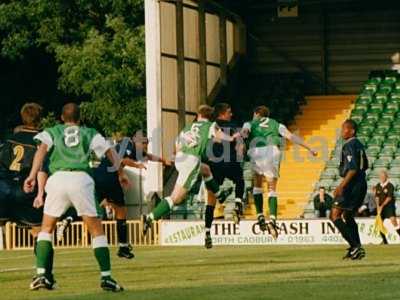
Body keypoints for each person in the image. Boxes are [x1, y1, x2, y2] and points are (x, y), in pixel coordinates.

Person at [24, 103, 125, 292]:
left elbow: (41, 150)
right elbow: (109, 151)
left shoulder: (53, 131)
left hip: (57, 179)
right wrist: (120, 173)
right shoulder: (89, 132)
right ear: (80, 119)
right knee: (96, 231)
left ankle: (41, 275)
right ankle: (106, 278)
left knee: (46, 229)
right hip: (80, 178)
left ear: (62, 118)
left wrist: (31, 175)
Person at [141, 105, 237, 238]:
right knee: (176, 197)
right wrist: (232, 138)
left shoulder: (186, 128)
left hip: (180, 158)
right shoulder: (210, 125)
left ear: (198, 116)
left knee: (206, 169)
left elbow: (176, 148)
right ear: (209, 117)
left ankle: (220, 195)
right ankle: (150, 217)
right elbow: (220, 136)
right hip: (191, 160)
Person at [241, 105, 317, 239]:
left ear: (257, 113)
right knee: (271, 187)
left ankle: (260, 216)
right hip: (272, 150)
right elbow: (291, 137)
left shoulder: (250, 122)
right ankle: (273, 220)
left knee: (257, 183)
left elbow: (245, 131)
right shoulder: (277, 124)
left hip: (255, 150)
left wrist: (243, 138)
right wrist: (309, 147)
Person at [0, 103, 44, 250]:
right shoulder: (41, 142)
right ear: (40, 120)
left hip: (5, 189)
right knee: (38, 231)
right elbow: (42, 168)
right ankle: (43, 271)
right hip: (26, 189)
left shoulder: (9, 139)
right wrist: (41, 193)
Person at [205, 103, 245, 236]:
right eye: (229, 112)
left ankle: (207, 232)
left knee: (210, 200)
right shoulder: (233, 126)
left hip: (214, 164)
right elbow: (240, 146)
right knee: (240, 181)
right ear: (222, 113)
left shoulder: (210, 126)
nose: (231, 114)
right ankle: (238, 204)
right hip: (230, 161)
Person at [330, 119, 368, 260]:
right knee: (347, 216)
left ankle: (355, 246)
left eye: (344, 129)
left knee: (334, 215)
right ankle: (356, 248)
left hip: (352, 184)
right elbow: (365, 165)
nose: (342, 132)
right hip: (361, 183)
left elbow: (352, 169)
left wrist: (341, 186)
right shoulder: (359, 145)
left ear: (352, 131)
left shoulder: (350, 145)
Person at [374, 170, 400, 244]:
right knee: (380, 223)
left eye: (383, 176)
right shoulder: (378, 185)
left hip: (389, 206)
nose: (381, 178)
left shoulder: (390, 185)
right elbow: (376, 197)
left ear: (386, 177)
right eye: (380, 176)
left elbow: (389, 198)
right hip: (380, 207)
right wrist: (378, 206)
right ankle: (385, 241)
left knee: (393, 221)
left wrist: (381, 206)